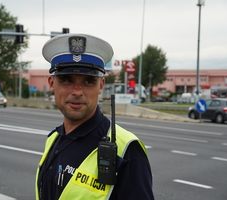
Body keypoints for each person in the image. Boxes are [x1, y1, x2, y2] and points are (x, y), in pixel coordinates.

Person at [35, 33, 154, 200]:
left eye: (89, 81)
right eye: (67, 80)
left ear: (101, 85)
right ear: (51, 83)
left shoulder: (126, 149)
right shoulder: (53, 139)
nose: (77, 91)